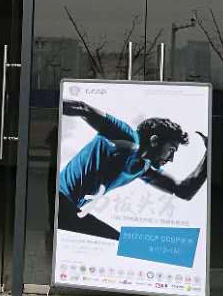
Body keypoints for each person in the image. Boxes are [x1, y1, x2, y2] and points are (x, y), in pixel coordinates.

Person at [57, 98, 207, 241]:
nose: (171, 158)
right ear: (154, 140)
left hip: (68, 211)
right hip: (59, 199)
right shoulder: (125, 136)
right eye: (171, 150)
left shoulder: (142, 168)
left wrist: (210, 153)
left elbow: (183, 191)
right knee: (119, 241)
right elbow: (83, 108)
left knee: (119, 242)